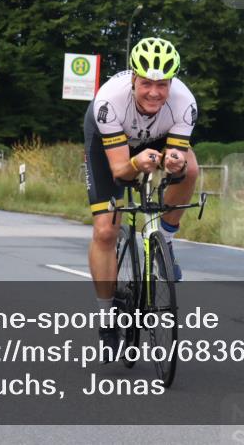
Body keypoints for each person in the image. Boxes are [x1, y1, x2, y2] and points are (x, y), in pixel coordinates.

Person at [83, 37, 199, 356]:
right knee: (106, 229)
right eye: (146, 83)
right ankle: (107, 317)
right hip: (111, 144)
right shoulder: (109, 101)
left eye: (162, 85)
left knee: (189, 170)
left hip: (158, 138)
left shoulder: (184, 103)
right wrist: (136, 163)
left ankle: (166, 240)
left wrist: (173, 162)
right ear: (133, 77)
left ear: (171, 83)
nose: (154, 92)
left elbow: (176, 156)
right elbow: (120, 171)